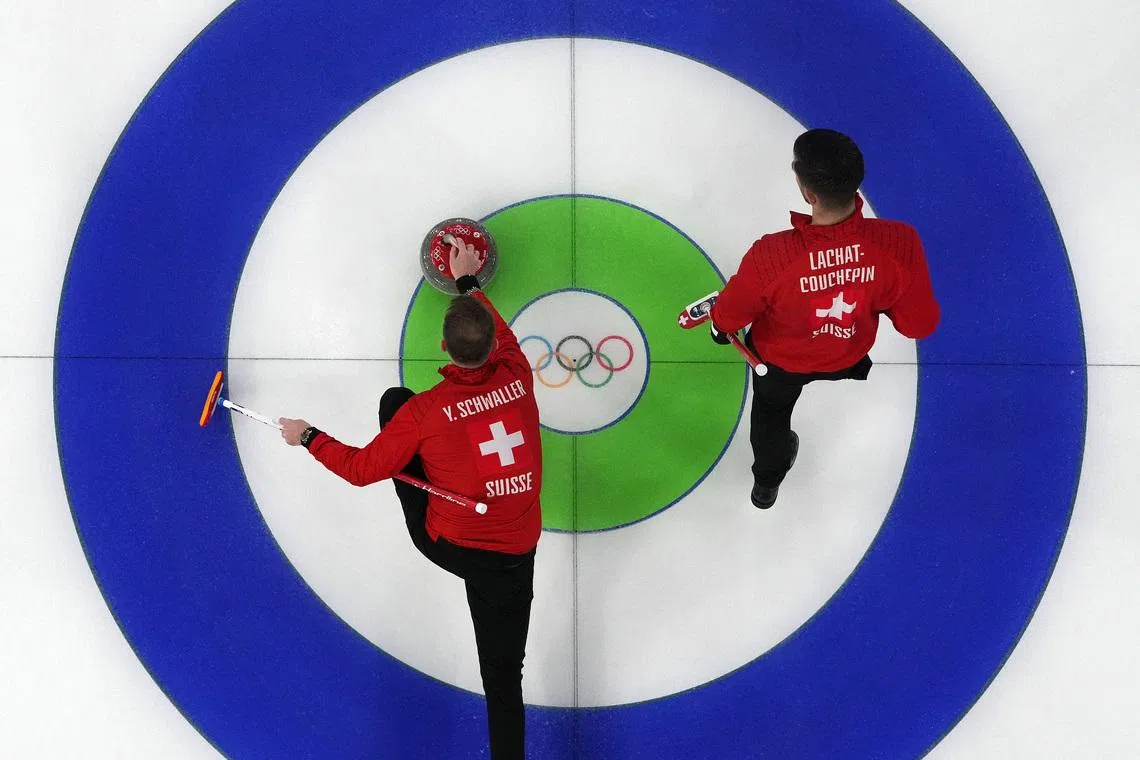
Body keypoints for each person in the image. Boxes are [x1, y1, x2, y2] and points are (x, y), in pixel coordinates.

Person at [279, 239, 542, 760]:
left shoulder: (425, 414)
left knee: (394, 406)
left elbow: (360, 470)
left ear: (444, 347)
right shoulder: (517, 372)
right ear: (496, 345)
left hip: (452, 541)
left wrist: (308, 436)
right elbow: (498, 327)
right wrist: (468, 282)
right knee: (503, 678)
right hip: (517, 548)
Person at [710, 128, 940, 509]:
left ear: (809, 194)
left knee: (771, 415)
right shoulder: (899, 243)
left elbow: (731, 312)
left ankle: (766, 483)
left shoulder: (771, 256)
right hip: (846, 356)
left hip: (778, 364)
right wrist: (875, 290)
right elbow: (918, 325)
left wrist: (719, 325)